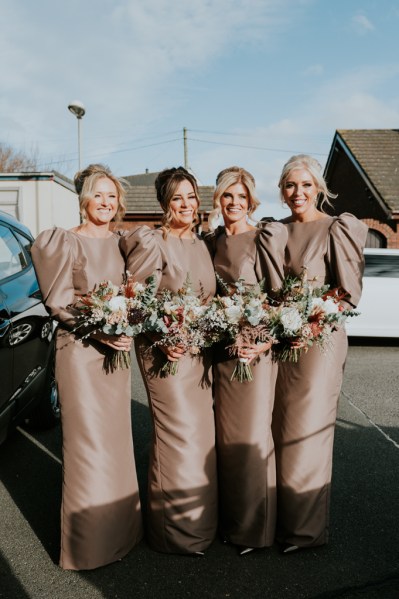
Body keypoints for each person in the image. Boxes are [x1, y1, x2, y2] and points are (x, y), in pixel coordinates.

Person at [31, 164, 143, 570]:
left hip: (116, 353)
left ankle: (121, 534)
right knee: (85, 445)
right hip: (80, 352)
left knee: (115, 441)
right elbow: (59, 299)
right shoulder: (64, 241)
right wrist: (100, 331)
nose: (106, 203)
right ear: (84, 199)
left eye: (112, 197)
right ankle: (87, 547)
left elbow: (135, 293)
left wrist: (129, 324)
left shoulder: (123, 242)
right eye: (99, 195)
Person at [272, 154, 368, 553]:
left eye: (306, 185)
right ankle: (276, 519)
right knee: (276, 431)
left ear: (319, 189)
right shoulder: (274, 231)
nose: (298, 193)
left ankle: (305, 531)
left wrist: (311, 325)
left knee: (305, 434)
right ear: (282, 190)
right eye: (291, 185)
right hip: (278, 343)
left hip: (318, 344)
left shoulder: (336, 228)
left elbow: (346, 294)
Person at [120, 167, 218, 555]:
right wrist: (162, 339)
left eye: (191, 196)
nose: (186, 204)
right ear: (164, 204)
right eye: (177, 198)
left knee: (201, 436)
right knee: (178, 435)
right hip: (163, 351)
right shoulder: (153, 242)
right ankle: (170, 532)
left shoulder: (202, 244)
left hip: (199, 353)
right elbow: (135, 300)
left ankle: (199, 526)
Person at [205, 166, 287, 555]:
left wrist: (264, 342)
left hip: (254, 353)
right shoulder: (212, 241)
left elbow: (279, 298)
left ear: (251, 200)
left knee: (252, 439)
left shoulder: (263, 238)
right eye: (227, 196)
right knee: (226, 442)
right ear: (218, 200)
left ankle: (254, 530)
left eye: (241, 197)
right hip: (220, 353)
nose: (234, 203)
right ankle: (231, 521)